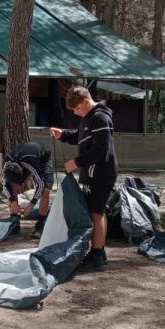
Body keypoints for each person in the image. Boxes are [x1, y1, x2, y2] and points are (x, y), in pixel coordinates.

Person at [49, 86, 117, 271]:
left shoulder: (100, 117)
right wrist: (63, 134)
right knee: (95, 211)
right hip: (92, 173)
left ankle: (97, 255)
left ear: (85, 102)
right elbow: (80, 138)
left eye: (76, 109)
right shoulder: (89, 118)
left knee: (97, 212)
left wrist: (77, 162)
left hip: (102, 173)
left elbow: (100, 149)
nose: (76, 113)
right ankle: (96, 251)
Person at [3, 140, 54, 238]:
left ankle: (41, 223)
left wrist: (32, 204)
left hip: (43, 157)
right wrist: (12, 201)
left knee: (46, 190)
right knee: (12, 188)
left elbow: (41, 183)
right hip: (24, 158)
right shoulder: (6, 165)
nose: (19, 186)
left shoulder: (30, 162)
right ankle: (15, 221)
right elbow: (5, 185)